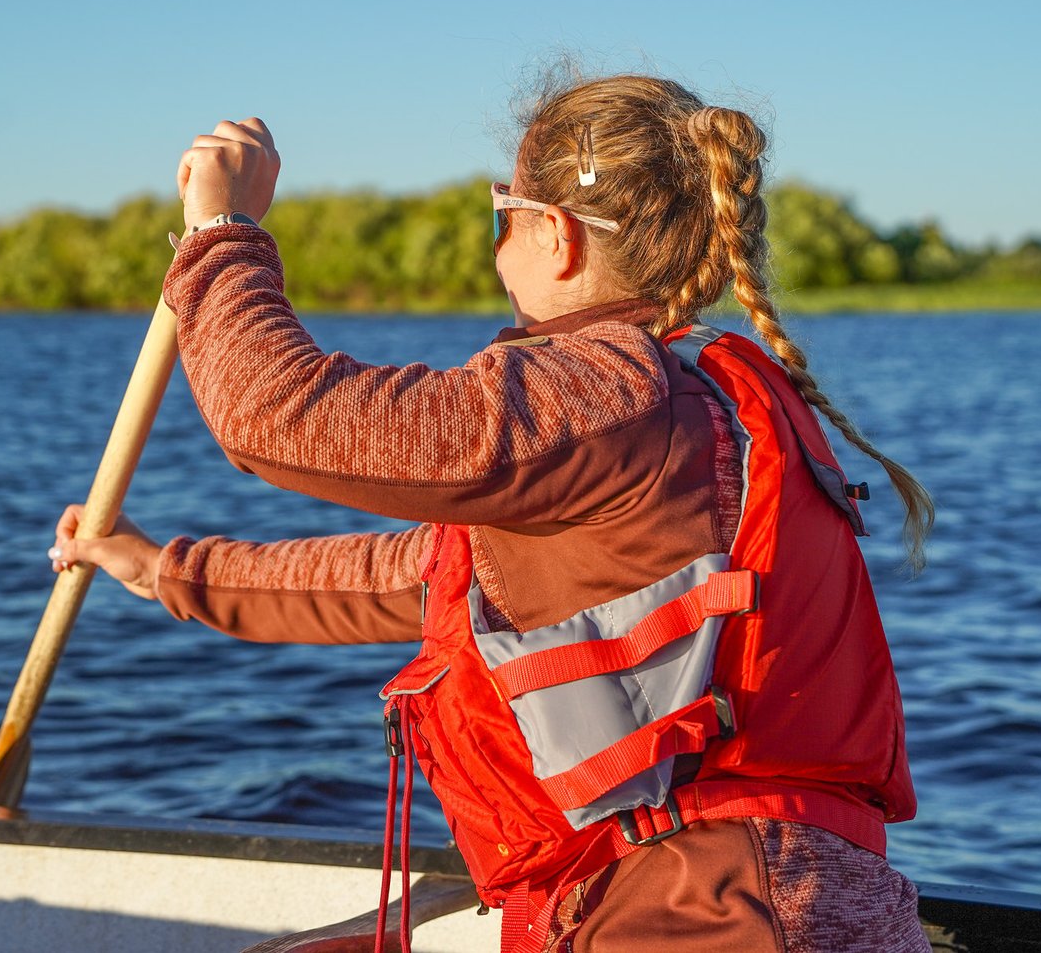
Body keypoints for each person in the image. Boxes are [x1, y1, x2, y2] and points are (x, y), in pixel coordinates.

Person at [48, 75, 935, 952]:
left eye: (500, 220)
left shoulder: (614, 392)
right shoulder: (669, 410)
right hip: (749, 895)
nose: (496, 254)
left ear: (555, 235)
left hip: (708, 912)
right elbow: (421, 577)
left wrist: (221, 231)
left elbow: (277, 415)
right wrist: (159, 567)